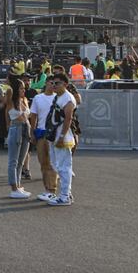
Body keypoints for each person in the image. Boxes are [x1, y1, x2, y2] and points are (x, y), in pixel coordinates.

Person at [44, 72, 77, 206]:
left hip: (63, 135)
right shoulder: (58, 97)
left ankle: (64, 196)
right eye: (52, 83)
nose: (54, 85)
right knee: (56, 164)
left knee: (64, 166)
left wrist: (62, 137)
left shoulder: (68, 99)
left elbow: (68, 119)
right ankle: (66, 193)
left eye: (57, 83)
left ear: (65, 84)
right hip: (54, 134)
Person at [4, 75, 32, 199]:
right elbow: (8, 90)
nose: (23, 90)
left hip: (26, 128)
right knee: (13, 161)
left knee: (21, 160)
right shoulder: (11, 99)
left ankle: (19, 184)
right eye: (21, 88)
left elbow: (28, 115)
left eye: (24, 88)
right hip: (16, 128)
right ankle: (13, 187)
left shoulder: (24, 100)